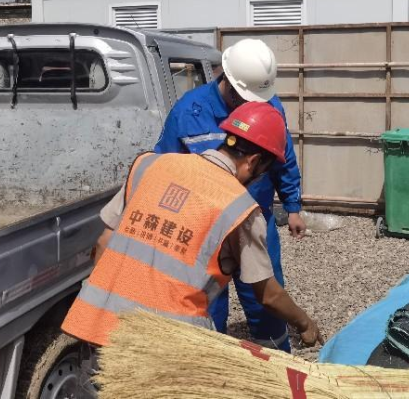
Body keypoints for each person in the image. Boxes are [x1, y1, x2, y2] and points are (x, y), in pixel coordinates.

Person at [61, 101, 323, 353]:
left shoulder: (150, 165)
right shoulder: (240, 208)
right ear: (253, 162)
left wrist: (110, 304)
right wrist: (304, 323)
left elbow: (104, 242)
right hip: (168, 346)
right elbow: (268, 295)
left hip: (97, 324)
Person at [152, 38, 305, 351]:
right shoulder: (189, 112)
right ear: (230, 84)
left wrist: (293, 206)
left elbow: (284, 158)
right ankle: (214, 362)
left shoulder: (269, 106)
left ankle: (275, 361)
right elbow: (166, 170)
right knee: (208, 306)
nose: (254, 104)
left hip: (254, 221)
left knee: (266, 302)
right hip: (204, 231)